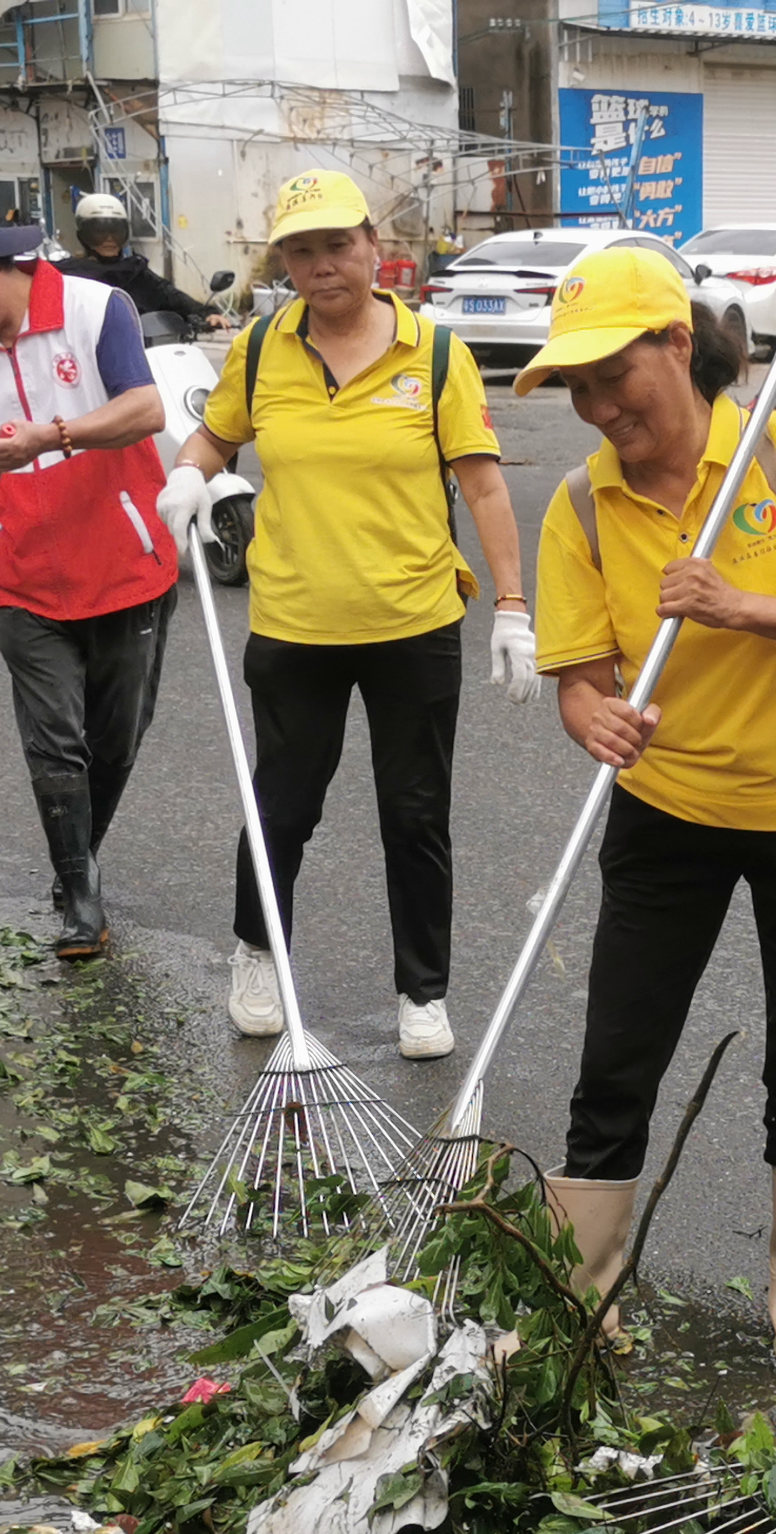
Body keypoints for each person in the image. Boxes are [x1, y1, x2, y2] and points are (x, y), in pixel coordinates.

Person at [517, 246, 776, 1365]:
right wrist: (589, 716)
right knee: (617, 1052)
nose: (598, 409)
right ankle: (589, 1288)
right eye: (577, 389)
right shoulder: (580, 506)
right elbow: (580, 679)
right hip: (669, 814)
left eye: (613, 376)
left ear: (676, 347)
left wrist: (736, 604)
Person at [160, 169, 527, 1064]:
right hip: (295, 626)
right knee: (281, 805)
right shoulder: (259, 347)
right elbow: (219, 434)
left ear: (372, 246)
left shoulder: (436, 354)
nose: (322, 266)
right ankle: (257, 955)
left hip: (413, 622)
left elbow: (481, 483)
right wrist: (187, 470)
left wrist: (513, 605)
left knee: (415, 813)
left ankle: (422, 993)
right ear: (282, 260)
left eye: (337, 245)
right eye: (301, 250)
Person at [0, 201, 181, 962]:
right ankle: (79, 897)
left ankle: (80, 855)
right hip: (24, 577)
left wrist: (54, 437)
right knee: (54, 743)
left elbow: (145, 409)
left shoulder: (96, 310)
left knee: (116, 740)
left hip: (127, 565)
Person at [58, 193, 226, 332]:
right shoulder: (68, 277)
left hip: (142, 354)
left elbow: (171, 296)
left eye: (116, 232)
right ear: (84, 236)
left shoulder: (135, 273)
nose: (109, 239)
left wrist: (207, 313)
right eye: (99, 232)